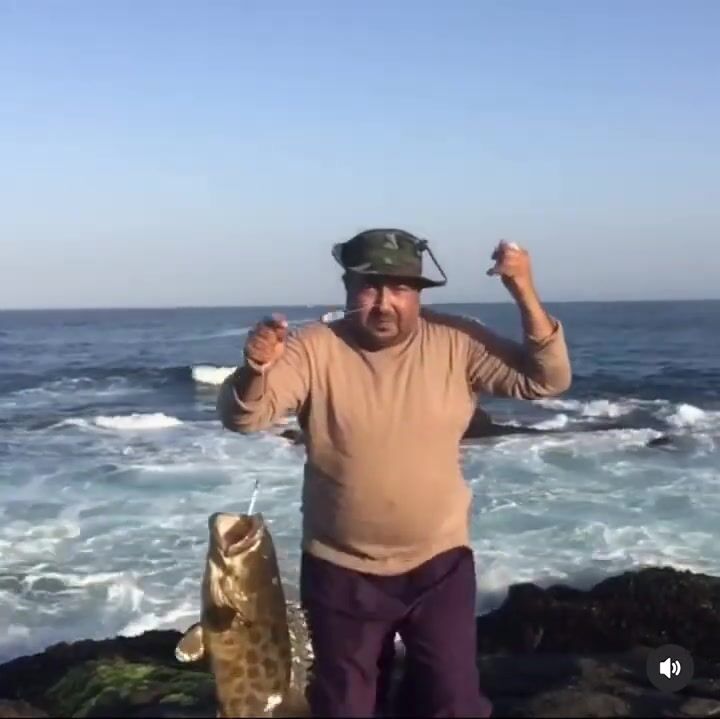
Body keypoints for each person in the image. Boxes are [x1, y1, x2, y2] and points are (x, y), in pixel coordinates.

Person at [217, 229, 572, 717]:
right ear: (348, 289)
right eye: (370, 287)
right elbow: (245, 417)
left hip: (440, 565)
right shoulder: (314, 346)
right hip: (341, 570)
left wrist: (523, 289)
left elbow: (547, 380)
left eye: (401, 288)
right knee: (346, 708)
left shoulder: (456, 341)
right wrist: (255, 368)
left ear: (419, 292)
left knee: (454, 703)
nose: (385, 303)